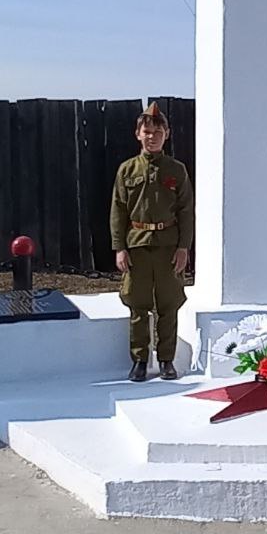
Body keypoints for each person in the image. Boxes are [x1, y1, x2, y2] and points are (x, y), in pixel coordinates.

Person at [109, 102, 194, 381]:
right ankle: (140, 360)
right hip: (137, 246)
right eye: (147, 131)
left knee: (168, 305)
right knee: (138, 305)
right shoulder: (127, 170)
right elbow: (118, 210)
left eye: (158, 131)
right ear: (138, 134)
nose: (152, 136)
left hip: (169, 246)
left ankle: (167, 360)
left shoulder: (176, 170)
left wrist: (184, 247)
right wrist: (119, 247)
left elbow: (186, 211)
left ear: (167, 134)